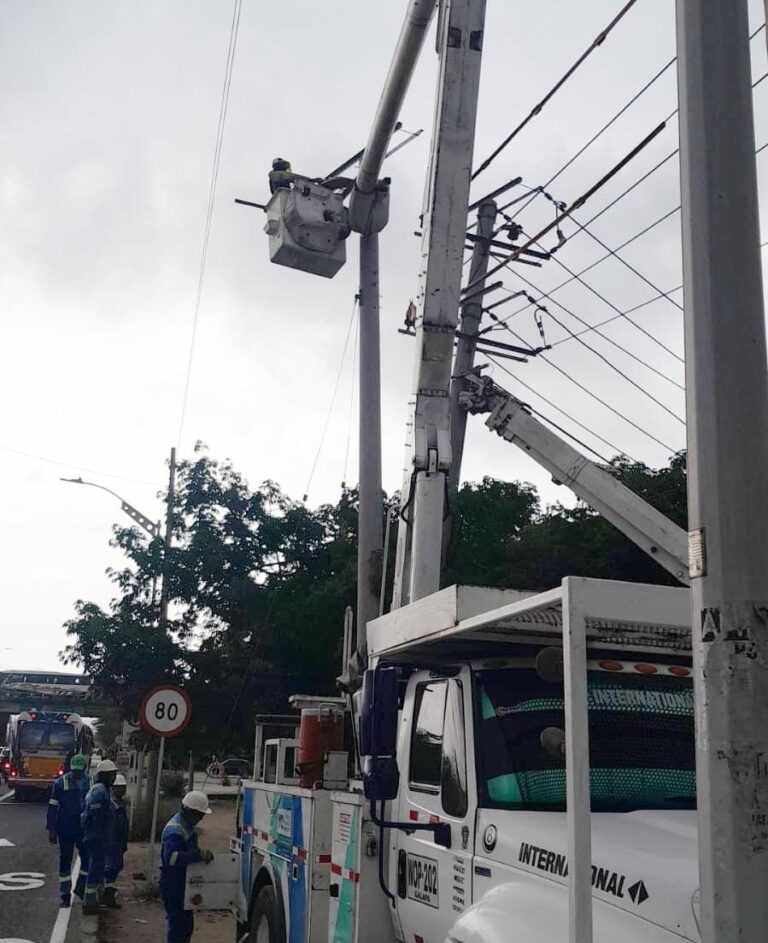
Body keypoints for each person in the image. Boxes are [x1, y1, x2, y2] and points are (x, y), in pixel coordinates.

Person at [160, 791, 214, 943]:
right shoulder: (175, 830)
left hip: (183, 882)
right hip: (173, 883)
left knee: (186, 925)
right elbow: (171, 858)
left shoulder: (187, 825)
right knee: (177, 925)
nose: (202, 817)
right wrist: (198, 855)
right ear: (190, 811)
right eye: (200, 814)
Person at [46, 753, 90, 908]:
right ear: (71, 768)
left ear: (84, 768)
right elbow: (53, 807)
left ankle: (81, 887)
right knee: (65, 860)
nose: (77, 773)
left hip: (84, 828)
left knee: (87, 858)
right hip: (65, 827)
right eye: (75, 770)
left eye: (80, 770)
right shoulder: (61, 783)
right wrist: (51, 829)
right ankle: (65, 894)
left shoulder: (89, 781)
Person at [81, 758, 117, 916]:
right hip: (96, 836)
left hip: (98, 836)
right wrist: (100, 832)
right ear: (104, 775)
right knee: (95, 868)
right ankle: (89, 902)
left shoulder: (103, 789)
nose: (114, 778)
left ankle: (95, 898)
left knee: (97, 867)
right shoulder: (99, 790)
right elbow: (96, 813)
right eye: (111, 775)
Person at [103, 772, 129, 908]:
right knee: (110, 867)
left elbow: (124, 825)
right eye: (120, 787)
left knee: (117, 866)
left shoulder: (120, 803)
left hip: (118, 841)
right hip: (111, 841)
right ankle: (106, 893)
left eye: (124, 787)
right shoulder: (111, 803)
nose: (123, 790)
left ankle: (108, 891)